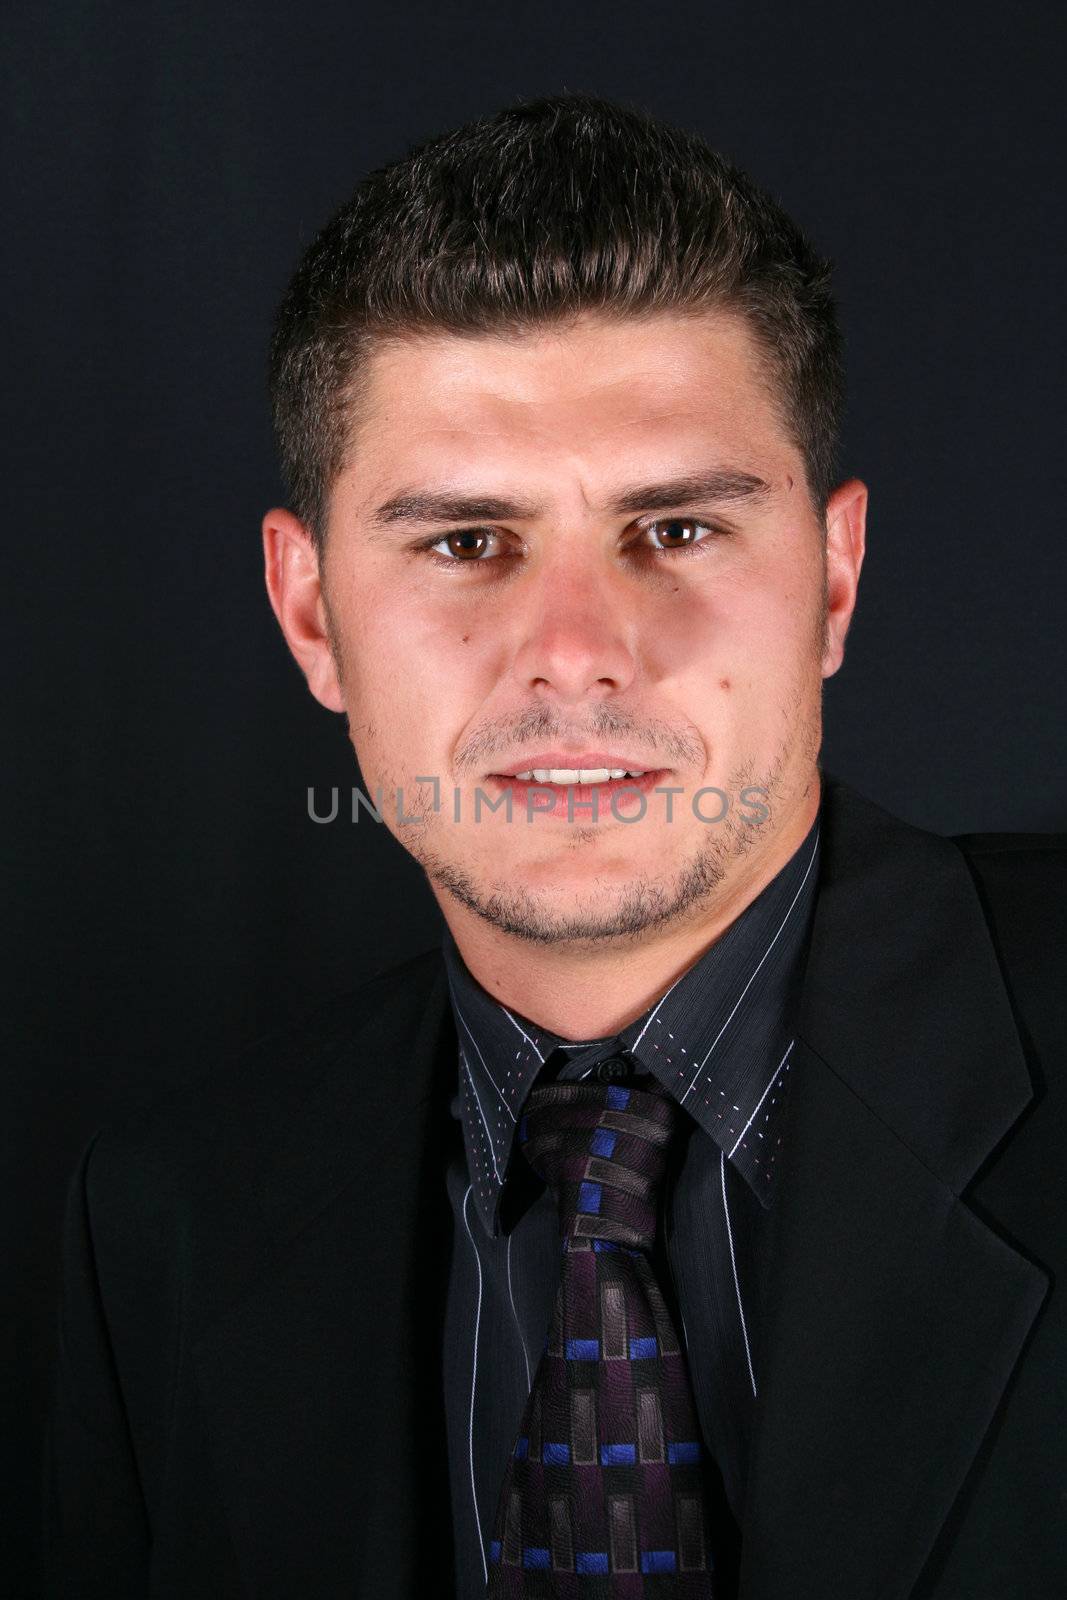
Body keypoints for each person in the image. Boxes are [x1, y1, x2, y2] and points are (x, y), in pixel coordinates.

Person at [42, 92, 1064, 1600]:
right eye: (466, 542)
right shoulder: (164, 1230)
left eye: (677, 531)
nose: (578, 656)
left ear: (834, 577)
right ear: (311, 612)